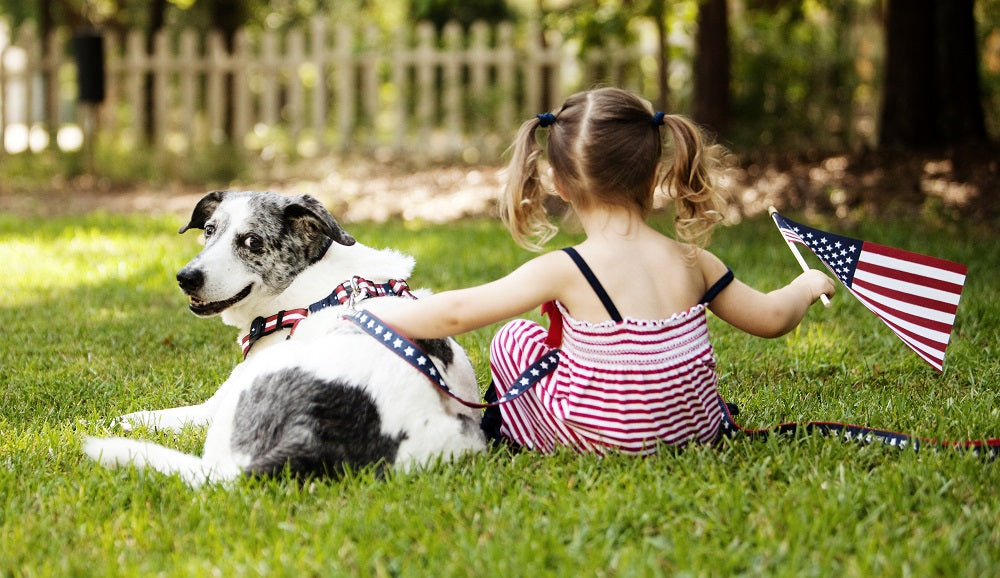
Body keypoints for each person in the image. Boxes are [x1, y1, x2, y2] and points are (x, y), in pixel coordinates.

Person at [366, 87, 835, 455]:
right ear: (654, 175)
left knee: (514, 339)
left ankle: (507, 432)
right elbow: (773, 319)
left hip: (611, 438)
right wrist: (806, 284)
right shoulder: (695, 260)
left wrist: (371, 315)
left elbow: (457, 313)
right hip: (695, 428)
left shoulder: (566, 268)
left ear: (562, 186)